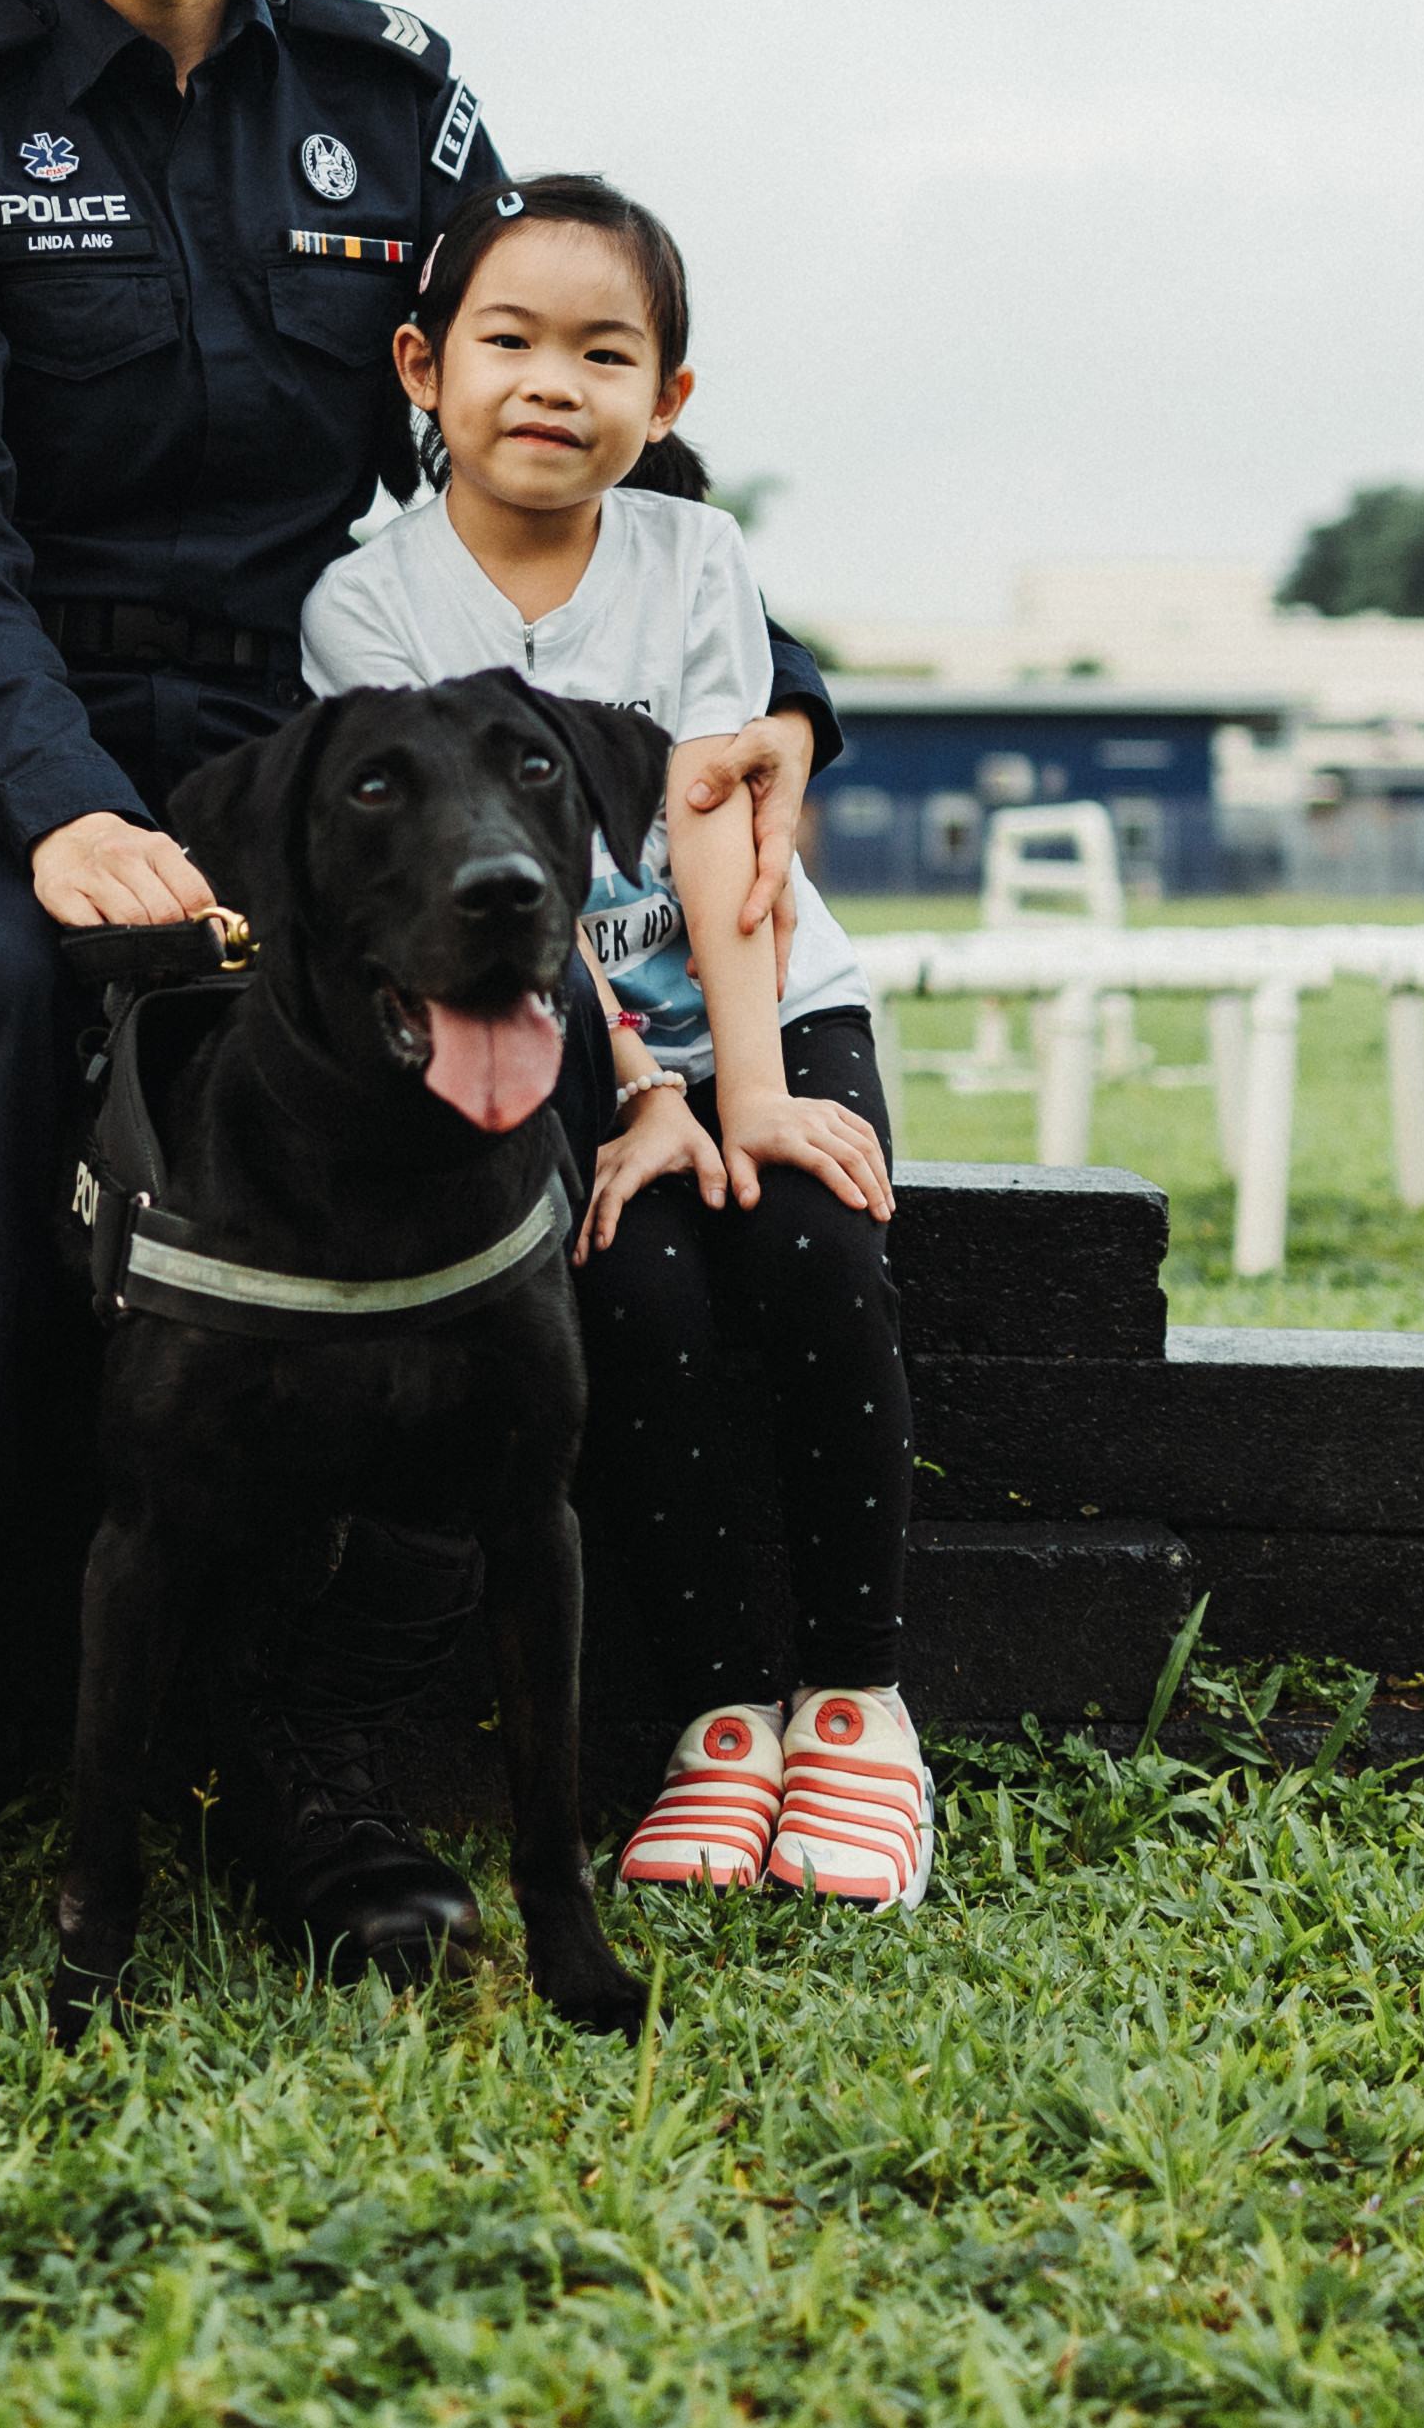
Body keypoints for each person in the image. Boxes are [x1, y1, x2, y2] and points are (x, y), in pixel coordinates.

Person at [0, 0, 839, 2053]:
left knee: (425, 1047)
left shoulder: (392, 87)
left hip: (333, 738)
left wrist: (775, 696)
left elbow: (530, 416)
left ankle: (316, 1752)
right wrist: (50, 803)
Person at [295, 173, 937, 1911]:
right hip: (549, 1034)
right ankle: (727, 1710)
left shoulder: (694, 558)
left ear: (667, 402)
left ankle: (859, 1704)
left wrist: (744, 1089)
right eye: (507, 339)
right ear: (422, 367)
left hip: (761, 996)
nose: (551, 382)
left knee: (810, 1232)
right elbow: (488, 885)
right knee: (633, 1281)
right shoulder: (364, 607)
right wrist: (640, 1096)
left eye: (605, 352)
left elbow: (721, 815)